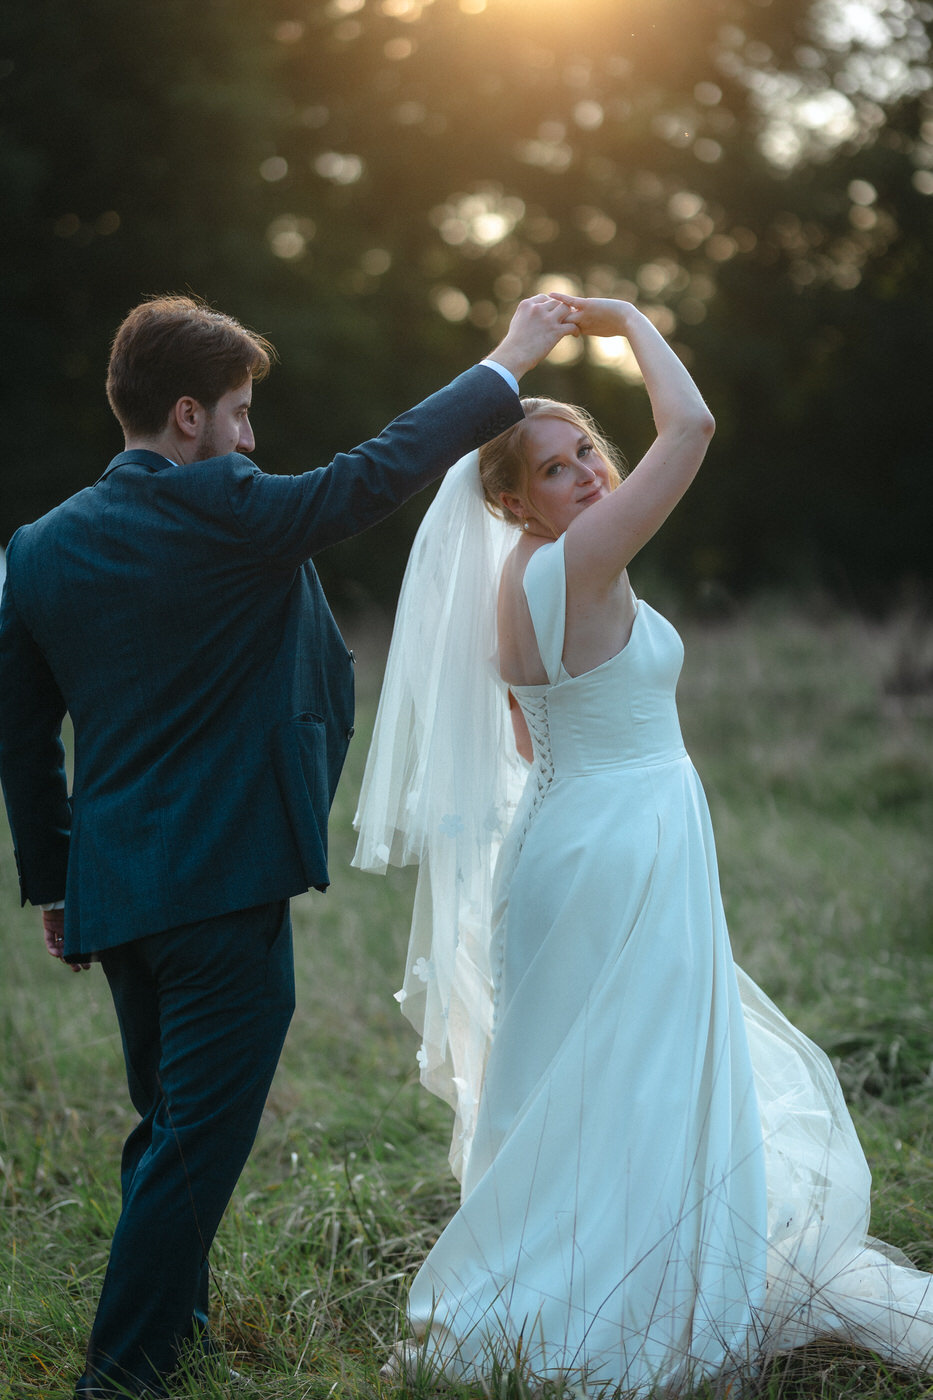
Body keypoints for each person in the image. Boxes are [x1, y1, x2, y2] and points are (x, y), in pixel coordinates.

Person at [0, 290, 576, 1397]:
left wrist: (54, 878)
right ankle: (118, 1375)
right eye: (242, 413)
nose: (252, 440)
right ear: (187, 418)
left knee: (166, 1127)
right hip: (222, 889)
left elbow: (21, 736)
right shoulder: (226, 507)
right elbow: (377, 469)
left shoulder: (38, 546)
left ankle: (180, 1331)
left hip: (114, 889)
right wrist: (509, 357)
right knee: (193, 1145)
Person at [353, 296, 933, 1393]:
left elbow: (531, 730)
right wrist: (623, 317)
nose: (591, 476)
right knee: (640, 1070)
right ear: (513, 496)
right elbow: (696, 426)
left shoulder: (513, 581)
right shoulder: (578, 562)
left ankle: (568, 1273)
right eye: (561, 468)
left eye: (589, 452)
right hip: (625, 841)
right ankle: (636, 1298)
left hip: (570, 835)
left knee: (586, 1072)